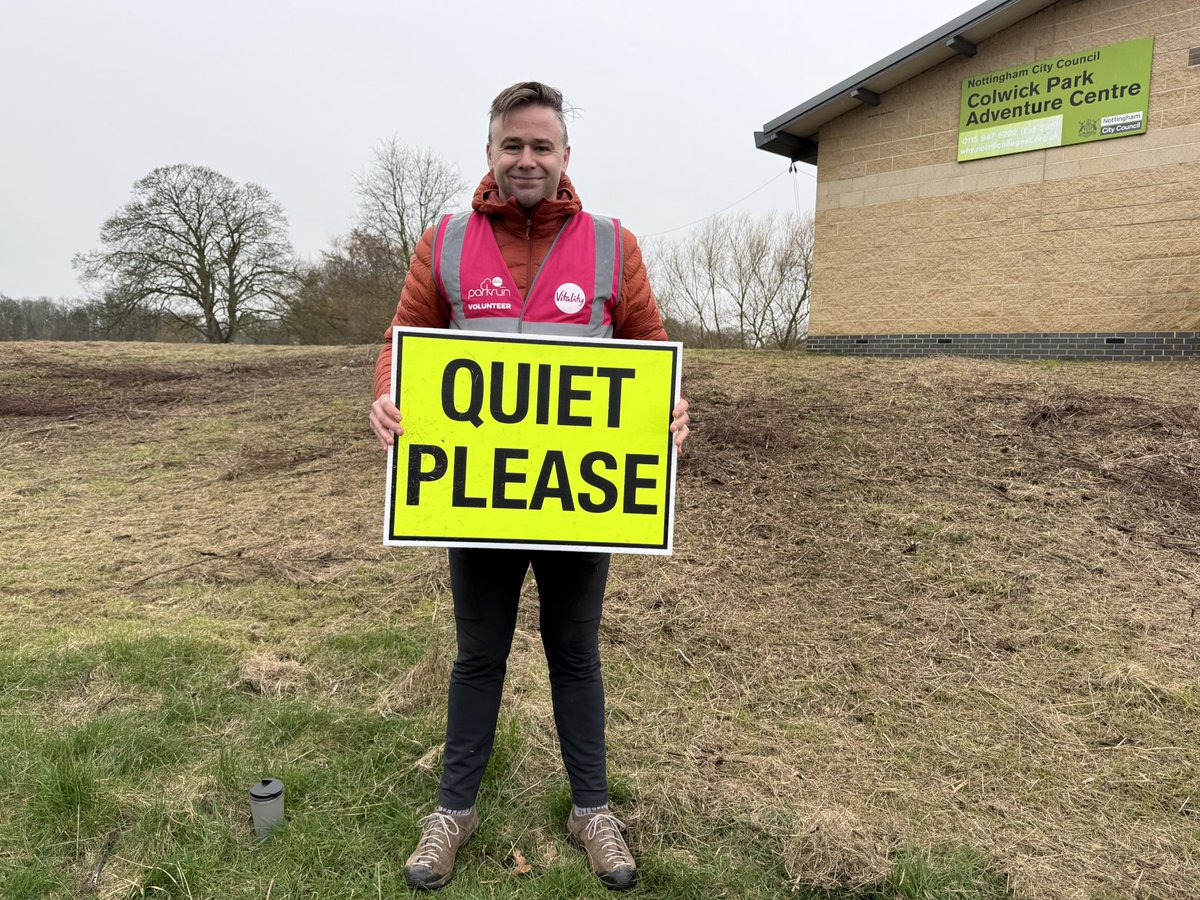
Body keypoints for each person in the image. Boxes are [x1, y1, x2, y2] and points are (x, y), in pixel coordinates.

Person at [369, 81, 689, 891]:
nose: (527, 159)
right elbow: (404, 339)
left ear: (566, 158)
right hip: (473, 494)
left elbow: (648, 345)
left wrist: (670, 408)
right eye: (512, 145)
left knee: (574, 652)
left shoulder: (613, 243)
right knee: (479, 655)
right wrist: (386, 394)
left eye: (542, 146)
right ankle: (453, 810)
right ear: (489, 153)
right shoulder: (444, 238)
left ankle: (592, 810)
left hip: (582, 497)